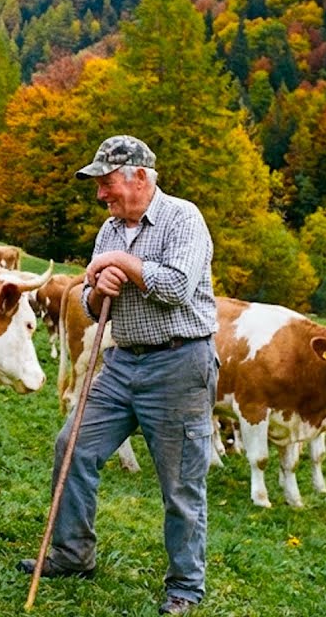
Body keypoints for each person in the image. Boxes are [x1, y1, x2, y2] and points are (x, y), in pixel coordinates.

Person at [18, 135, 218, 616]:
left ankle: (185, 585)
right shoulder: (109, 230)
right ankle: (73, 553)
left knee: (180, 483)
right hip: (122, 360)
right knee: (73, 446)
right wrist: (96, 288)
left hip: (179, 364)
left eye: (107, 182)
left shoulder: (183, 218)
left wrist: (120, 265)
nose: (100, 194)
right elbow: (92, 306)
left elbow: (176, 287)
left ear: (140, 177)